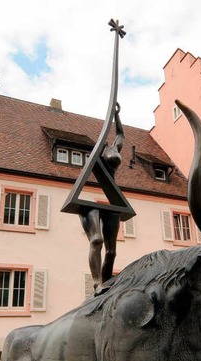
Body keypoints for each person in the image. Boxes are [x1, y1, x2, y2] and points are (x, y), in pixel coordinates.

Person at [79, 103, 124, 295]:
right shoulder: (97, 150)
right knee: (96, 240)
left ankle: (106, 285)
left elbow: (121, 135)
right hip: (90, 203)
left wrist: (116, 116)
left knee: (112, 252)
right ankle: (97, 283)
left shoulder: (115, 147)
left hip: (112, 201)